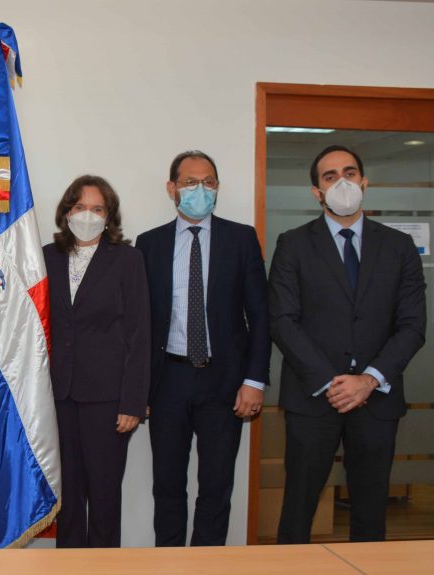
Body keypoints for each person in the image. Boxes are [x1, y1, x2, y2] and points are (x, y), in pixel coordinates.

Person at [271, 145, 425, 543]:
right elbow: (283, 321)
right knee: (298, 512)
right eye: (330, 176)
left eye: (350, 173)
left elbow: (413, 326)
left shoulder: (399, 247)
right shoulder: (293, 244)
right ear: (317, 192)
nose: (342, 182)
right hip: (313, 398)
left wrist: (368, 379)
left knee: (371, 515)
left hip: (377, 400)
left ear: (364, 182)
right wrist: (332, 382)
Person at [136, 150, 270, 546]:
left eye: (208, 182)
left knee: (216, 488)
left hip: (224, 382)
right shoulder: (149, 244)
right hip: (168, 382)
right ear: (172, 188)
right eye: (191, 182)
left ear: (218, 187)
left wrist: (255, 381)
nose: (201, 189)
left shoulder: (241, 238)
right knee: (167, 487)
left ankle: (207, 565)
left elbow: (260, 315)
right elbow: (139, 323)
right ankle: (169, 564)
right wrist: (138, 389)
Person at [43, 175, 150, 547]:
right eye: (80, 207)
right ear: (66, 212)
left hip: (108, 398)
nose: (87, 215)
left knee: (104, 497)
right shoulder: (46, 257)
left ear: (109, 216)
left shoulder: (128, 260)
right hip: (58, 395)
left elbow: (139, 334)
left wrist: (133, 402)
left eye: (97, 209)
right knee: (67, 498)